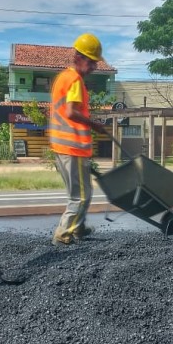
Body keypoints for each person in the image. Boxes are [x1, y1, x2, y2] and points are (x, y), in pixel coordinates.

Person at [48, 33, 108, 245]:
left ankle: (79, 228)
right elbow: (72, 112)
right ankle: (63, 234)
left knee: (83, 192)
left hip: (64, 147)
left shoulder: (63, 77)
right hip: (72, 148)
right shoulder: (74, 80)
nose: (94, 67)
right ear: (79, 57)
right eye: (92, 62)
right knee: (80, 197)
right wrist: (96, 126)